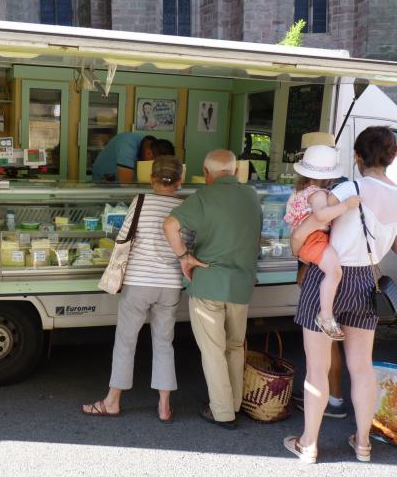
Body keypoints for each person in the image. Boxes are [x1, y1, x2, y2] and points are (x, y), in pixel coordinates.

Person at [284, 126, 397, 464]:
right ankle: (363, 443)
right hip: (367, 279)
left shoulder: (348, 188)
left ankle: (309, 444)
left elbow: (310, 228)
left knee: (317, 369)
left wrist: (296, 245)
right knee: (361, 368)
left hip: (329, 276)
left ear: (357, 156)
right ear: (391, 158)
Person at [163, 149, 262, 430]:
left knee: (213, 350)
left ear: (207, 173)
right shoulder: (252, 196)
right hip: (241, 285)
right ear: (234, 172)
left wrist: (184, 257)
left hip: (208, 283)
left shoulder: (203, 197)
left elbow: (170, 225)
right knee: (234, 346)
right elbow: (255, 240)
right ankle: (234, 404)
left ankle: (221, 412)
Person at [82, 155, 185, 422]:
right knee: (164, 343)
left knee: (126, 342)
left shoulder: (141, 201)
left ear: (152, 179)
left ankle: (112, 401)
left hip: (139, 282)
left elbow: (123, 235)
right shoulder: (186, 207)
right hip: (171, 284)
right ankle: (164, 405)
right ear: (180, 180)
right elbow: (188, 244)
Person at [284, 145, 362, 340]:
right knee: (334, 272)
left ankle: (326, 315)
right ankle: (325, 315)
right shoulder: (318, 194)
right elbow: (320, 215)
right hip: (314, 239)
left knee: (332, 271)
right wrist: (347, 205)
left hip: (306, 240)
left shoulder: (300, 191)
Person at [91, 132, 175, 183]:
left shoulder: (151, 145)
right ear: (149, 153)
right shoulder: (127, 146)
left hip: (116, 181)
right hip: (102, 180)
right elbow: (126, 184)